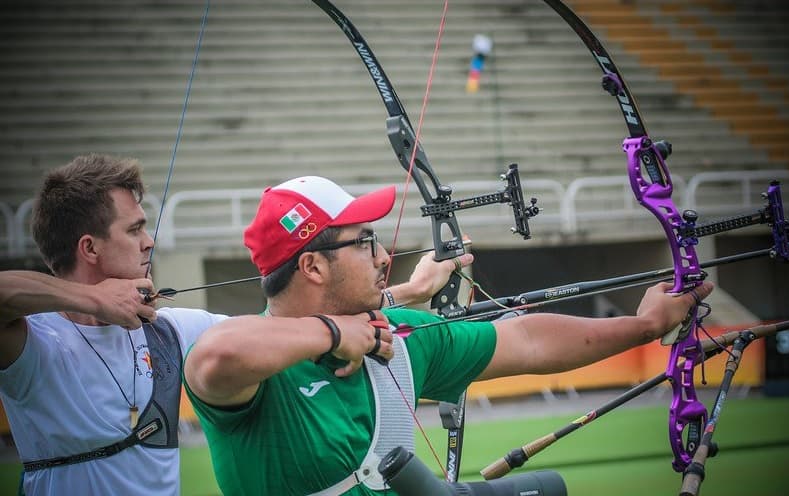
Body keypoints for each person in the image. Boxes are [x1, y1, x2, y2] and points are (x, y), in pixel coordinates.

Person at [183, 175, 714, 495]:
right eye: (365, 241)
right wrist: (332, 335)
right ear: (314, 268)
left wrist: (645, 326)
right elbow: (216, 355)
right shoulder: (252, 370)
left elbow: (527, 341)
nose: (384, 255)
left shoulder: (396, 336)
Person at [0, 155, 465, 496]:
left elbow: (282, 325)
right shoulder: (35, 341)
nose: (149, 241)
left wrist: (402, 293)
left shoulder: (167, 328)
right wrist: (92, 300)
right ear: (90, 247)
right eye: (134, 229)